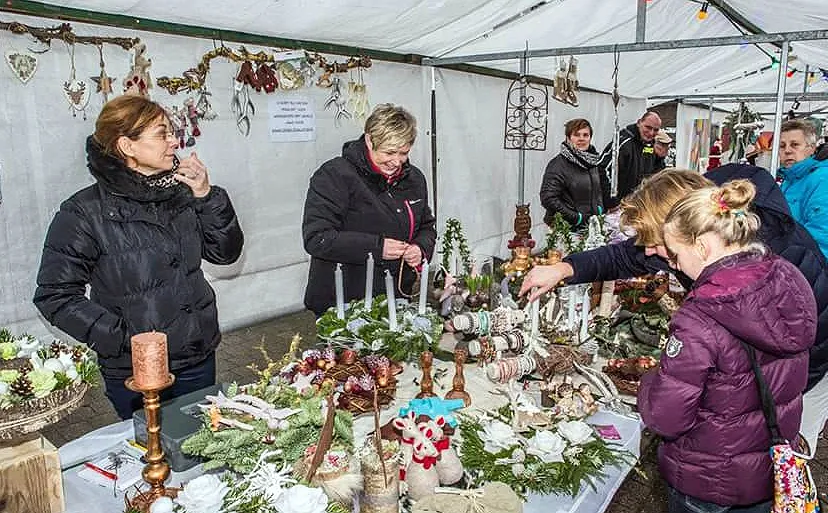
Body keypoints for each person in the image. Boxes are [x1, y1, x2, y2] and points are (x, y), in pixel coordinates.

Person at [520, 166, 828, 454]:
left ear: (690, 233)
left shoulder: (788, 259)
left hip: (794, 388)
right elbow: (624, 257)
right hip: (732, 415)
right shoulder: (696, 243)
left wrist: (753, 406)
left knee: (784, 469)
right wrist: (564, 268)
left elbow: (810, 347)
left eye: (655, 243)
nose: (649, 252)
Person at [33, 95, 244, 419]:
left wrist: (206, 196)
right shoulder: (84, 213)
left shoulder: (183, 194)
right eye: (162, 133)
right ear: (127, 146)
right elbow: (55, 296)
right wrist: (124, 340)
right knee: (152, 452)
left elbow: (225, 254)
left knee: (200, 443)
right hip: (136, 369)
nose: (175, 141)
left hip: (196, 356)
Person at [639, 180, 816, 512]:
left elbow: (666, 418)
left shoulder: (699, 316)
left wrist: (649, 382)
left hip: (708, 480)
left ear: (703, 246)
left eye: (676, 255)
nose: (674, 265)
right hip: (766, 471)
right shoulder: (786, 277)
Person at [302, 103, 436, 317]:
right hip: (344, 302)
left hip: (395, 297)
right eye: (389, 152)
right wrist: (377, 248)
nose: (396, 161)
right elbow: (317, 238)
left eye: (404, 153)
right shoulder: (334, 176)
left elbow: (426, 225)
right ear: (369, 140)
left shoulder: (414, 179)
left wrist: (420, 248)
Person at [539, 118, 606, 229]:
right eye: (577, 135)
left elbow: (598, 191)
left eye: (585, 135)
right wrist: (576, 217)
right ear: (568, 138)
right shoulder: (558, 165)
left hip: (591, 226)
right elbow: (548, 197)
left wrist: (600, 210)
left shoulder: (593, 162)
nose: (581, 139)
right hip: (566, 229)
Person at [778, 119, 828, 258]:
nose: (787, 150)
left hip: (811, 267)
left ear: (811, 148)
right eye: (782, 146)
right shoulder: (789, 179)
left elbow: (822, 234)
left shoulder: (822, 179)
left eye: (795, 145)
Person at [599, 111, 662, 209]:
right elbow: (603, 169)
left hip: (638, 206)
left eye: (656, 130)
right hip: (617, 206)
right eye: (648, 127)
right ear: (639, 123)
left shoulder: (651, 146)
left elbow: (656, 176)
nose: (651, 133)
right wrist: (612, 201)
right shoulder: (624, 142)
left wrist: (660, 159)